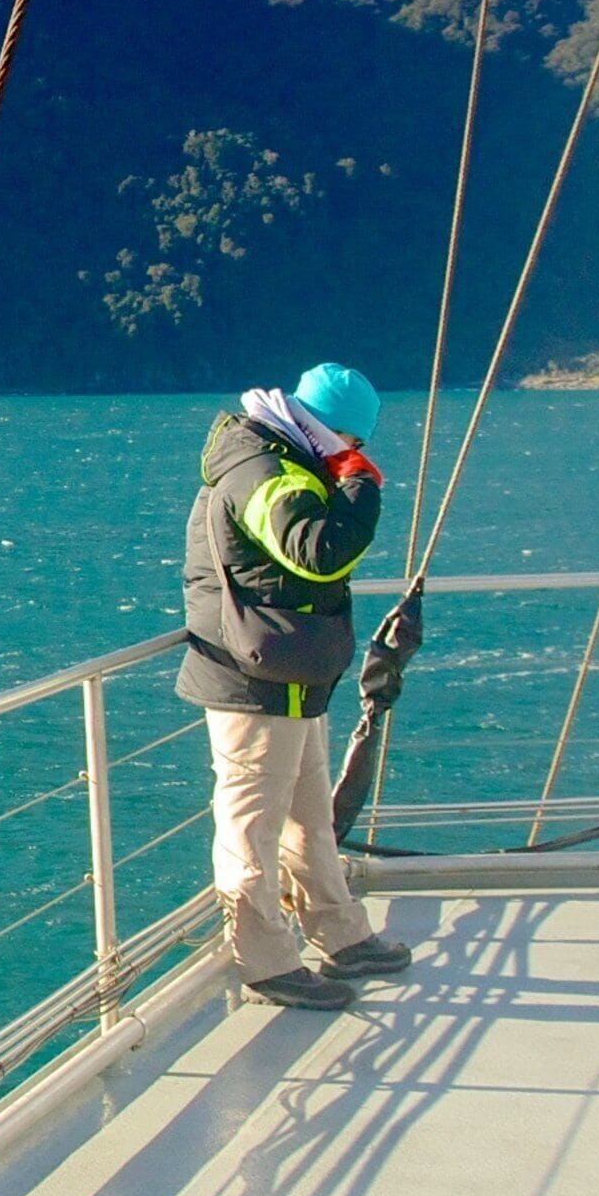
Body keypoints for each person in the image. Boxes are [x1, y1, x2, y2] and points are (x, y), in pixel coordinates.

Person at [180, 362, 413, 1010]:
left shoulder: (281, 459)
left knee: (309, 815)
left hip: (288, 676)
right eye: (354, 443)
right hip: (254, 680)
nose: (355, 455)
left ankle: (340, 933)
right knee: (250, 827)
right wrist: (360, 489)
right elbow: (318, 550)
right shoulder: (264, 469)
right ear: (335, 431)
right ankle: (266, 961)